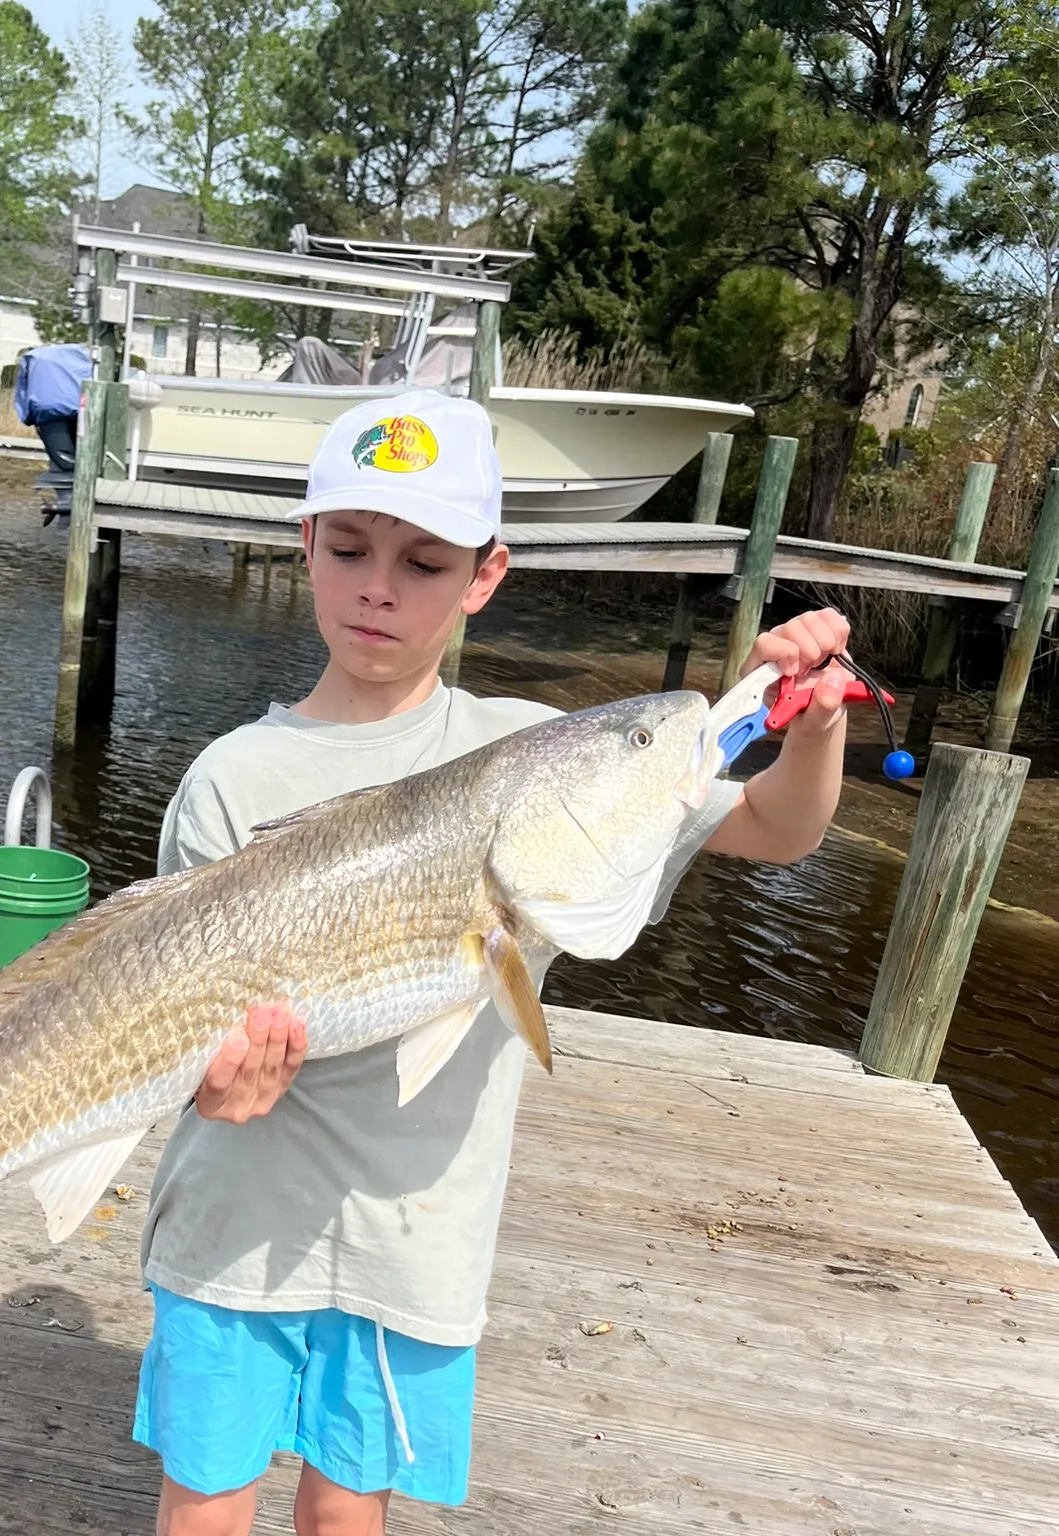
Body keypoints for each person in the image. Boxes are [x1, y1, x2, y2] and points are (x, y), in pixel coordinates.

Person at [132, 390, 851, 1536]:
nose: (379, 585)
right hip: (233, 1223)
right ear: (304, 543)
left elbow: (777, 826)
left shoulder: (536, 756)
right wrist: (214, 1086)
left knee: (344, 1508)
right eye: (352, 548)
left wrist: (809, 728)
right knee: (206, 1500)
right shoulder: (229, 777)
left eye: (423, 562)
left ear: (484, 575)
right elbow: (177, 1034)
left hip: (416, 1236)